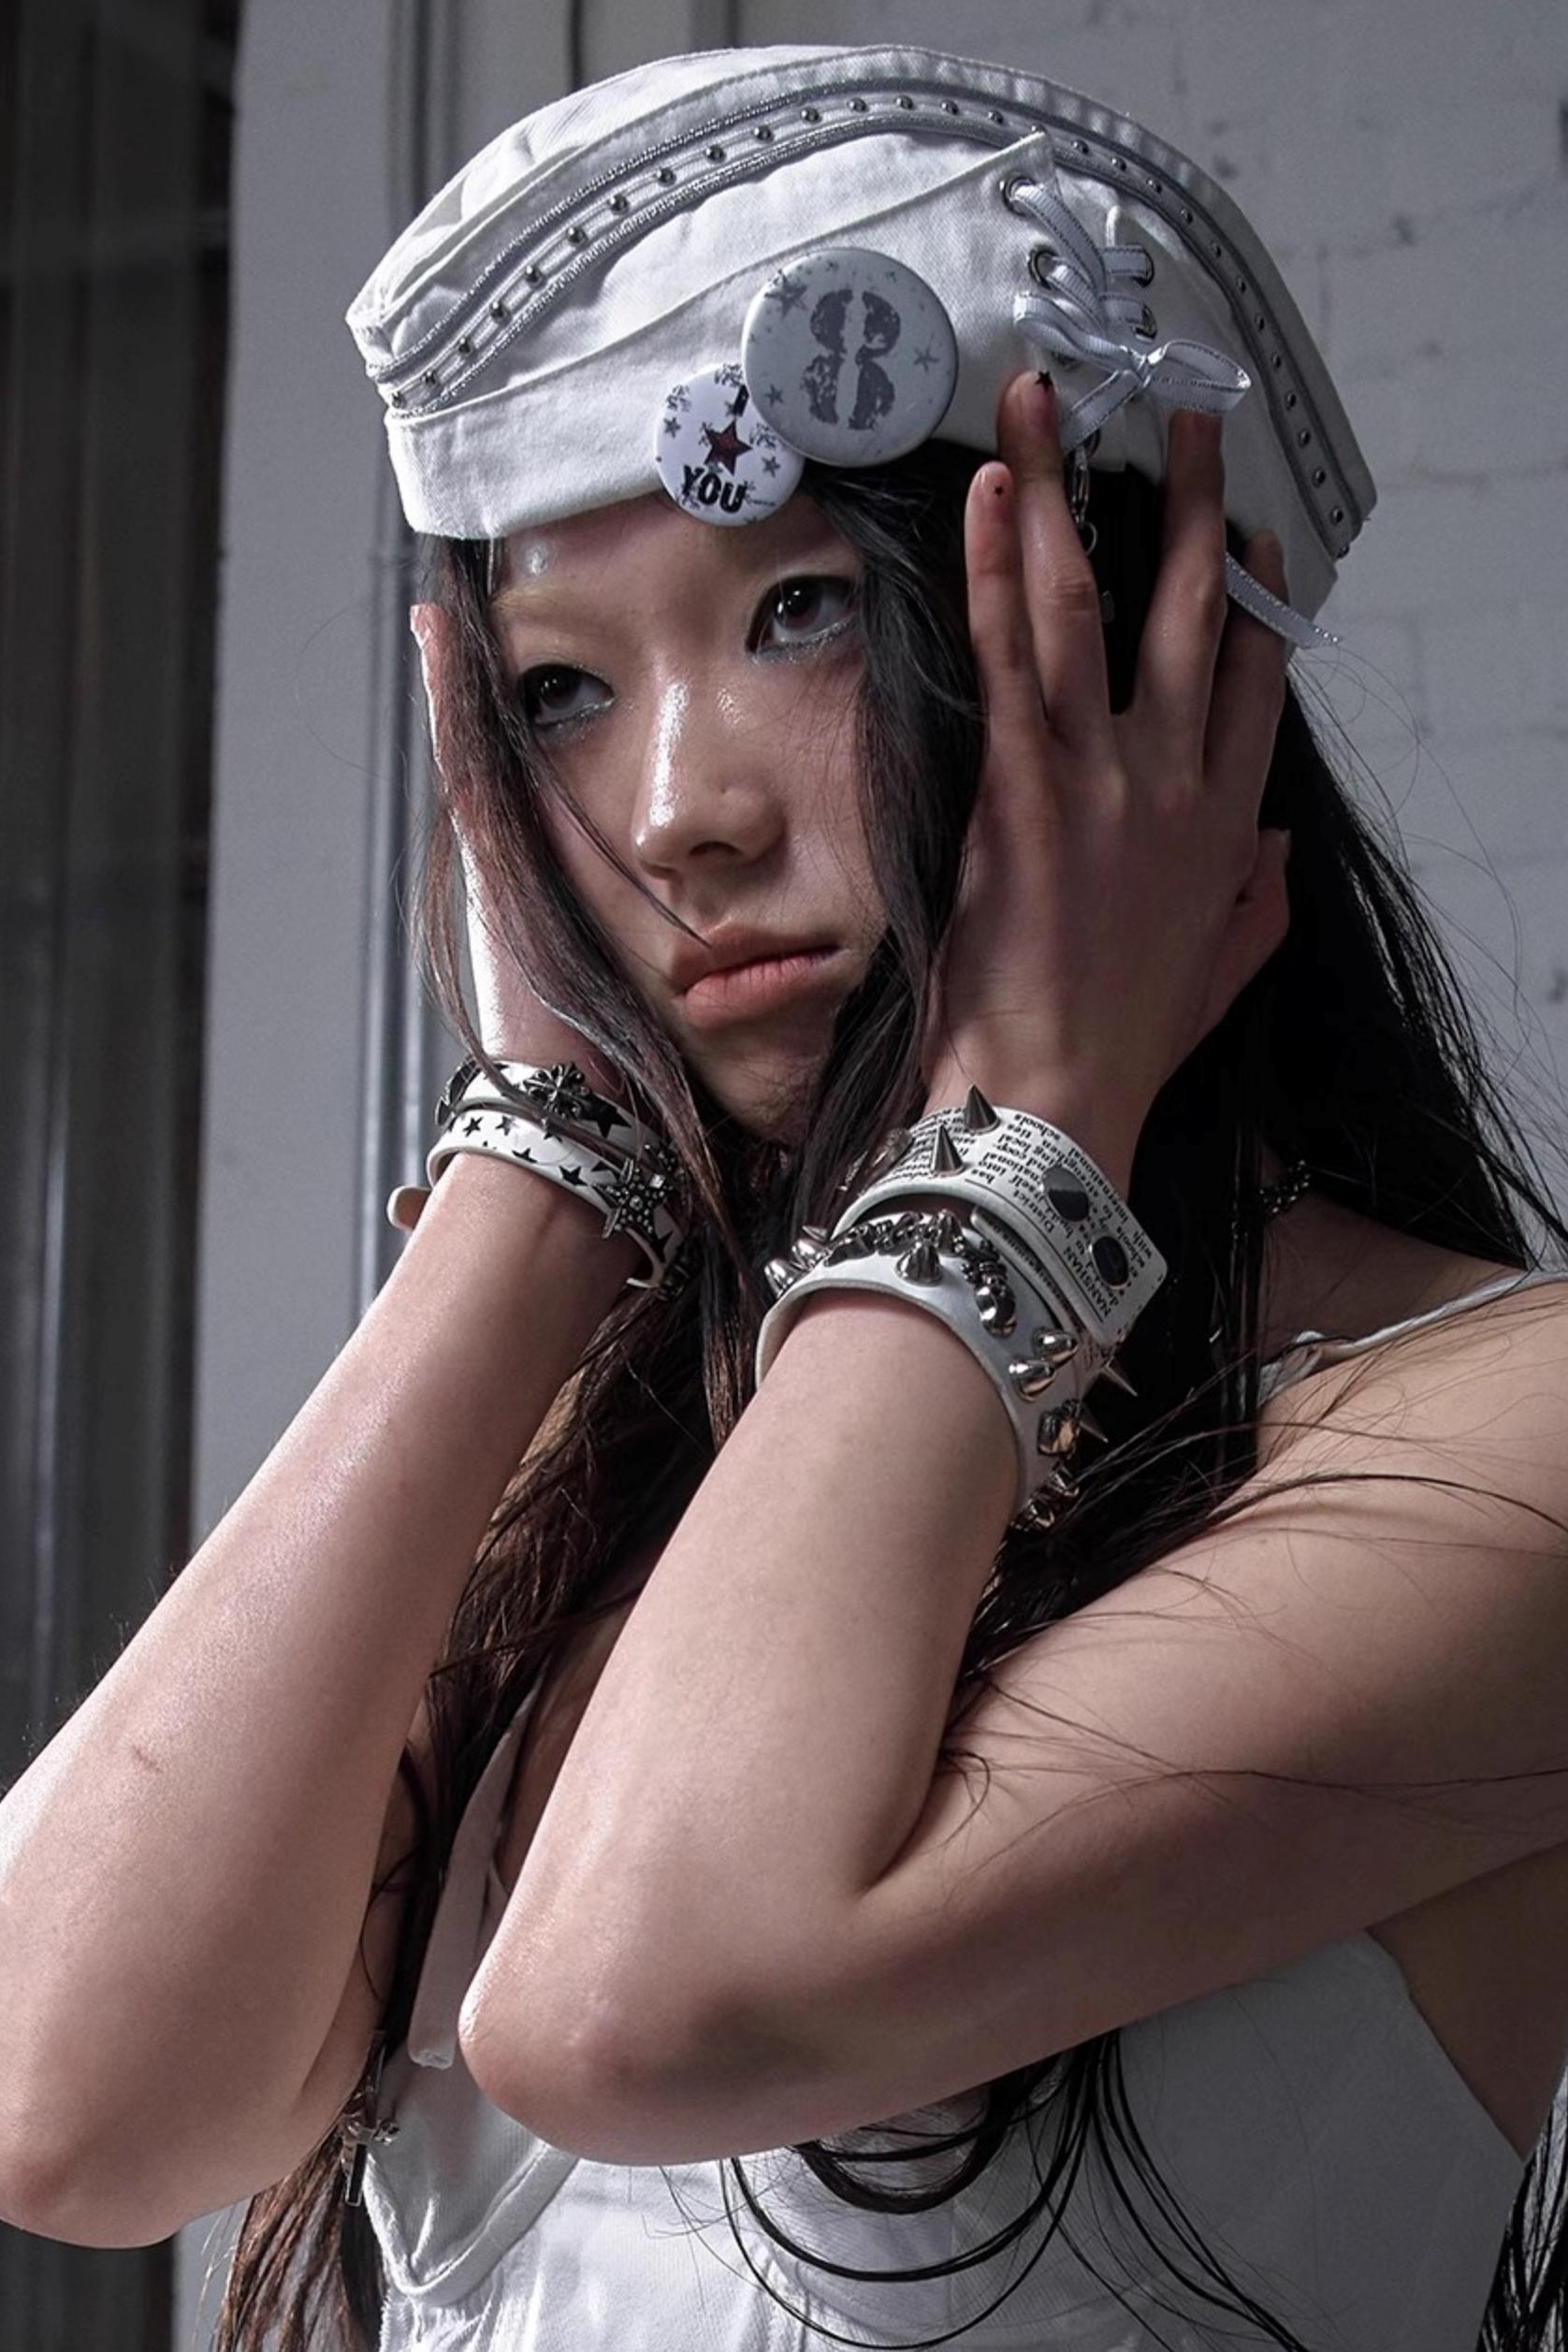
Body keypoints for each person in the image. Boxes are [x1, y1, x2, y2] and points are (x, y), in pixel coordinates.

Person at [1, 37, 1566, 2352]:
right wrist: (545, 1153)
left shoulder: (1501, 1431)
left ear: (1166, 656)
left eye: (801, 613)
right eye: (555, 693)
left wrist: (1027, 1122)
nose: (675, 817)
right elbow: (70, 2102)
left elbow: (637, 2003)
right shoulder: (614, 1471)